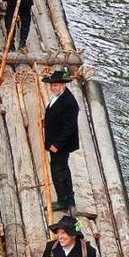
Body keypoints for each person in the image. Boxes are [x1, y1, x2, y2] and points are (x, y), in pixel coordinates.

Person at [42, 66, 79, 212]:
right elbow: (56, 116)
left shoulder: (69, 103)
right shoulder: (59, 97)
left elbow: (69, 128)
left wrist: (56, 144)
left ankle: (65, 201)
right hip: (55, 141)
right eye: (51, 85)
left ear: (63, 85)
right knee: (61, 169)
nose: (53, 87)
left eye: (55, 85)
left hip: (60, 145)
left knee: (59, 171)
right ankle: (66, 198)